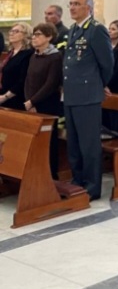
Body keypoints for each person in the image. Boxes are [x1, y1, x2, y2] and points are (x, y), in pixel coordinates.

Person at [63, 0, 113, 201]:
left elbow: (107, 63)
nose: (72, 8)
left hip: (87, 94)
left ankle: (92, 186)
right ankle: (77, 180)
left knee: (88, 144)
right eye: (71, 4)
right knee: (73, 142)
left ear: (89, 8)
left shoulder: (96, 29)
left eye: (77, 4)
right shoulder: (74, 29)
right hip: (71, 94)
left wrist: (97, 85)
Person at [24, 22, 63, 179]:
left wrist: (33, 101)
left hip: (47, 104)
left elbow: (51, 83)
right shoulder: (34, 55)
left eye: (38, 34)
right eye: (33, 34)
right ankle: (35, 171)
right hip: (31, 104)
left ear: (49, 37)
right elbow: (28, 79)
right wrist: (28, 101)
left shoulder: (55, 57)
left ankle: (50, 174)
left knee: (49, 141)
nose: (34, 37)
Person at [0, 22, 34, 110]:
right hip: (4, 95)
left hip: (16, 98)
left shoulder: (28, 54)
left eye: (16, 31)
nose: (11, 33)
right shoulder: (11, 53)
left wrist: (5, 96)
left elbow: (23, 80)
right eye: (11, 31)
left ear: (25, 35)